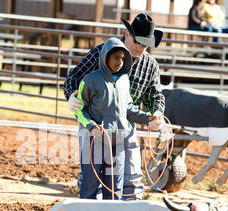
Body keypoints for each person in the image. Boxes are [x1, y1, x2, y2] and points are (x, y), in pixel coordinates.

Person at [64, 13, 165, 200]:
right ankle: (90, 201)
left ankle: (127, 210)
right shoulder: (101, 53)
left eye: (144, 45)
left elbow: (155, 94)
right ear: (127, 34)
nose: (140, 48)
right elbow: (74, 76)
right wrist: (72, 95)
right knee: (92, 172)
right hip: (95, 124)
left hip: (126, 125)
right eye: (137, 42)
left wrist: (156, 112)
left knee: (131, 174)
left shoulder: (150, 65)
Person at [76, 37, 154, 200]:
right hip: (95, 141)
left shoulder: (124, 81)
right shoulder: (90, 80)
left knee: (114, 189)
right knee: (90, 185)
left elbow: (129, 109)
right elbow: (80, 111)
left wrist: (149, 118)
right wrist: (91, 126)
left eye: (122, 58)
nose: (119, 61)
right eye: (116, 57)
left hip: (118, 143)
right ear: (106, 58)